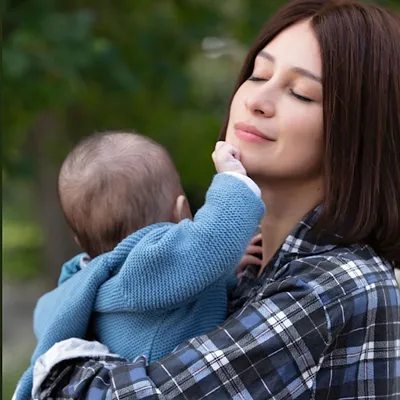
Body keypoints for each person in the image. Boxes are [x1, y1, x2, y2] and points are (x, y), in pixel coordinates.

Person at [18, 0, 400, 398]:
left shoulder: (334, 286)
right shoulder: (252, 270)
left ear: (360, 132)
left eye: (301, 93)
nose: (256, 100)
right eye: (258, 74)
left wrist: (59, 354)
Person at [15, 131, 266, 400]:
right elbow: (210, 241)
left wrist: (229, 266)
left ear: (78, 239)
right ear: (182, 211)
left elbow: (191, 276)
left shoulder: (87, 287)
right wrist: (234, 180)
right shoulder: (146, 266)